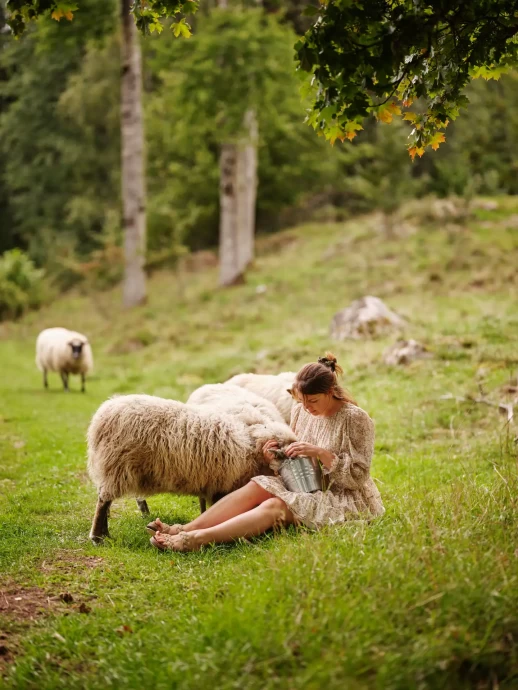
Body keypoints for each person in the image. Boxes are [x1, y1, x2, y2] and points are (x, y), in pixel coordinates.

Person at [148, 352, 384, 552]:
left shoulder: (355, 419)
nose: (307, 407)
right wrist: (277, 458)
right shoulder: (303, 411)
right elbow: (299, 460)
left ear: (331, 391)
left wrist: (320, 453)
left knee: (275, 506)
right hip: (309, 485)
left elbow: (358, 476)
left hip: (345, 498)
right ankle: (185, 528)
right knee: (257, 484)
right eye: (302, 401)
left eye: (313, 400)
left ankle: (197, 540)